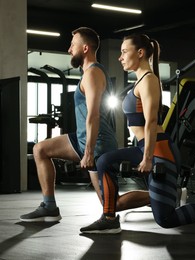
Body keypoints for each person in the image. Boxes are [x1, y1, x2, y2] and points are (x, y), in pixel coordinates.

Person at [79, 33, 195, 239]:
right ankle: (109, 218)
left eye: (123, 52)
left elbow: (150, 122)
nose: (120, 57)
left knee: (166, 219)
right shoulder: (139, 81)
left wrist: (147, 158)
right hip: (143, 147)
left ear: (140, 53)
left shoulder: (149, 81)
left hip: (159, 152)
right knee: (103, 161)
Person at [20, 27, 149, 222]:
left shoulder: (93, 74)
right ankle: (49, 206)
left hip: (98, 145)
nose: (70, 50)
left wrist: (88, 152)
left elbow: (93, 115)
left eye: (73, 45)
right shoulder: (87, 73)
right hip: (81, 139)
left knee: (113, 204)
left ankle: (166, 195)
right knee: (40, 150)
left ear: (85, 48)